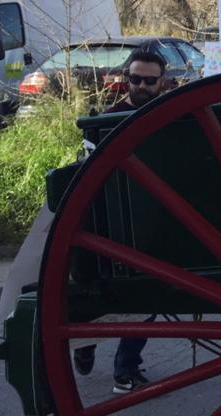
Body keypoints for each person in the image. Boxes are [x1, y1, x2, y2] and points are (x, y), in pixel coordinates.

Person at [72, 48, 167, 394]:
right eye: (135, 78)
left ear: (162, 82)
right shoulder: (108, 121)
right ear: (126, 79)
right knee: (138, 298)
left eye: (149, 80)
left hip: (157, 219)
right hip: (119, 224)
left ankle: (102, 349)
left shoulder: (172, 115)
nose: (141, 85)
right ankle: (112, 360)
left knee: (147, 299)